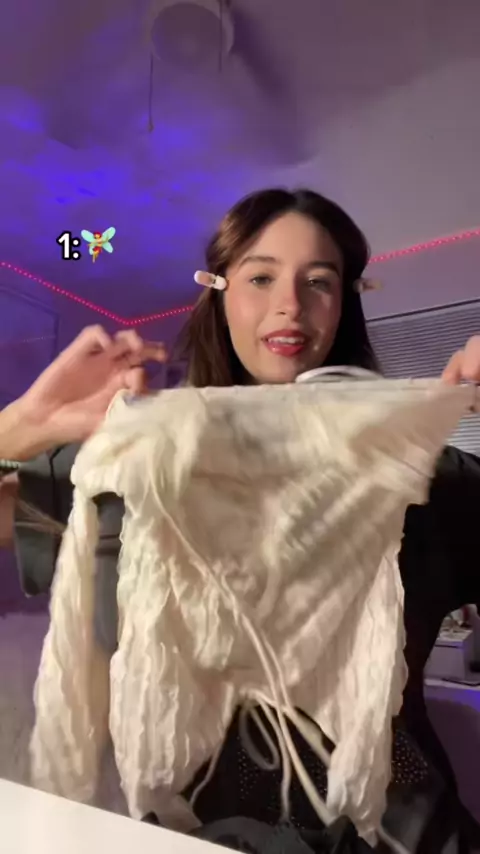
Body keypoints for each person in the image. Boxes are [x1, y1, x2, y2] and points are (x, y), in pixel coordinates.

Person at [3, 188, 480, 852]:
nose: (291, 304)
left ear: (344, 302)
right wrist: (20, 427)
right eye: (260, 277)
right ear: (218, 293)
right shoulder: (135, 464)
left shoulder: (429, 476)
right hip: (187, 837)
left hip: (399, 837)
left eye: (319, 282)